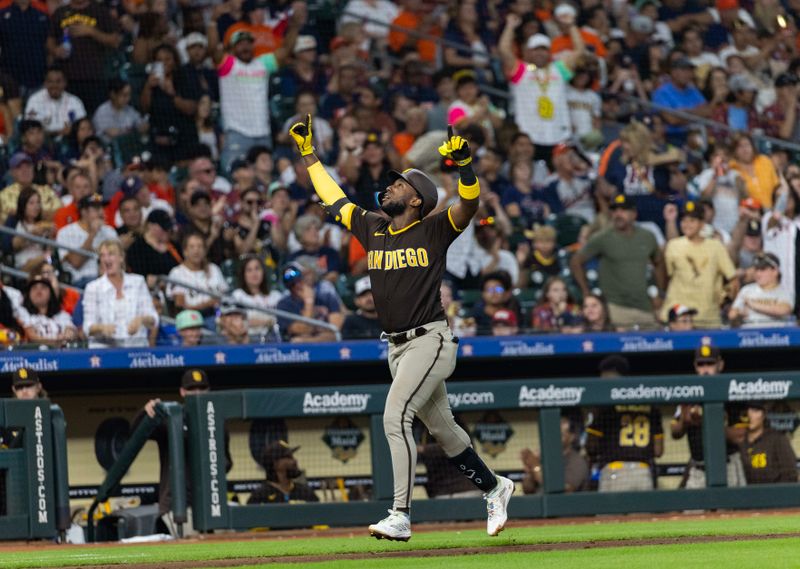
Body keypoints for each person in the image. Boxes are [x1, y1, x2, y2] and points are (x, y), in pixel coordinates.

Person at [289, 115, 514, 541]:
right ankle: (495, 486)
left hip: (429, 339)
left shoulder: (432, 228)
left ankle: (401, 513)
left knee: (396, 416)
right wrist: (308, 154)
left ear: (416, 200)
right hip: (396, 348)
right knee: (445, 432)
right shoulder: (373, 226)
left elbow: (469, 205)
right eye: (391, 181)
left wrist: (465, 168)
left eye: (400, 183)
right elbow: (334, 197)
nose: (390, 185)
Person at [139, 369, 232, 536]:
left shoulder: (217, 421)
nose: (197, 393)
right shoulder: (171, 418)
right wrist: (145, 412)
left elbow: (227, 462)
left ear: (208, 391)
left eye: (202, 388)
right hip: (178, 505)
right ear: (182, 392)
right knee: (189, 553)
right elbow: (136, 433)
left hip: (212, 504)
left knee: (224, 551)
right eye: (192, 389)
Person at [570, 194, 666, 330]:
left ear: (634, 214)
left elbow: (659, 262)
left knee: (654, 345)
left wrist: (659, 293)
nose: (618, 214)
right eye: (615, 210)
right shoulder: (603, 237)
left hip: (645, 306)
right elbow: (576, 261)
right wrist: (586, 291)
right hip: (615, 307)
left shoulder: (647, 236)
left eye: (623, 210)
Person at [499, 13, 584, 162]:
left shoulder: (558, 70)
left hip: (559, 135)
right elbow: (504, 50)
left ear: (549, 52)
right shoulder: (522, 70)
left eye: (544, 49)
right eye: (536, 49)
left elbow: (579, 51)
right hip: (528, 137)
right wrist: (510, 27)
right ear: (528, 52)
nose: (540, 53)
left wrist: (571, 26)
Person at [670, 345, 748, 489]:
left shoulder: (733, 392)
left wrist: (709, 423)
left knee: (728, 511)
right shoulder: (687, 392)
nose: (705, 369)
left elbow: (741, 436)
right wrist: (685, 421)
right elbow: (675, 432)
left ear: (720, 365)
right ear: (695, 366)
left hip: (728, 466)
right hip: (698, 468)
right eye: (701, 364)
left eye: (710, 364)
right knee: (692, 511)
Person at [586, 356, 664, 492]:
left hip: (614, 471)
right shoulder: (649, 404)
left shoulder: (603, 404)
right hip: (643, 473)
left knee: (612, 514)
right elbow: (658, 450)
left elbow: (591, 447)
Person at [662, 201, 738, 328]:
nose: (687, 224)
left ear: (702, 223)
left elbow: (733, 279)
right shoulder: (673, 246)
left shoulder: (715, 247)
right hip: (679, 317)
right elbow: (666, 278)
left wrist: (724, 299)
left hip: (708, 317)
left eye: (692, 220)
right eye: (684, 220)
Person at [83, 240, 158, 347]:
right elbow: (87, 327)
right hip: (105, 349)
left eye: (111, 254)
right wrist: (102, 328)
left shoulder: (138, 282)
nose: (106, 259)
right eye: (102, 256)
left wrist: (141, 320)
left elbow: (154, 318)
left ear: (121, 258)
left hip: (136, 348)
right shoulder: (93, 288)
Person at [166, 233, 228, 326]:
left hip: (218, 317)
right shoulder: (177, 273)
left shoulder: (213, 269)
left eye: (200, 247)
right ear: (185, 251)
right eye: (192, 247)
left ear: (204, 251)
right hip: (191, 320)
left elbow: (223, 296)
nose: (196, 251)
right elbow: (180, 307)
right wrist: (206, 305)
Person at [56, 194, 118, 288]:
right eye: (97, 209)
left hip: (108, 280)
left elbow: (118, 260)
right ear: (84, 212)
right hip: (80, 283)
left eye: (102, 208)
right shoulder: (66, 232)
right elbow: (76, 262)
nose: (102, 212)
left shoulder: (109, 231)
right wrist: (92, 234)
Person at [276, 262, 342, 343]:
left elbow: (336, 331)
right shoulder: (284, 305)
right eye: (292, 284)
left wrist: (308, 340)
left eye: (300, 281)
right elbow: (304, 330)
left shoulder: (326, 297)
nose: (297, 286)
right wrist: (309, 302)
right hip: (300, 353)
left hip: (329, 348)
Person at [520, 417, 589, 494]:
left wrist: (536, 467)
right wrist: (530, 471)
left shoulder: (577, 461)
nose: (554, 437)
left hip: (563, 505)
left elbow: (565, 490)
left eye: (560, 434)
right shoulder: (545, 458)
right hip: (538, 504)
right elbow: (527, 489)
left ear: (571, 437)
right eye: (552, 433)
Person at [729, 253, 794, 328]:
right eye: (756, 270)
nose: (758, 274)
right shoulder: (746, 290)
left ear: (775, 271)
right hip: (749, 335)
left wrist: (753, 305)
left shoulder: (784, 292)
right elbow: (732, 314)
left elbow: (784, 310)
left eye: (763, 270)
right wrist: (739, 314)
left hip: (776, 336)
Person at [741, 402, 798, 484]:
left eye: (755, 411)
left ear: (764, 415)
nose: (749, 415)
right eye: (745, 411)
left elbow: (790, 474)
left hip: (774, 494)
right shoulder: (739, 442)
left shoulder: (777, 439)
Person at [247, 440, 319, 505]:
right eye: (289, 457)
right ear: (276, 464)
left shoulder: (305, 492)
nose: (295, 461)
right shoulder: (260, 496)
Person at [230, 254, 281, 340]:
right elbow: (237, 322)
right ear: (243, 274)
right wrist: (269, 321)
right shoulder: (238, 295)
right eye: (249, 270)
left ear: (263, 272)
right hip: (249, 340)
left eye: (257, 269)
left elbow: (283, 321)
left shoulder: (276, 295)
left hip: (275, 338)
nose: (254, 273)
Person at [23, 67, 86, 136]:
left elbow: (83, 126)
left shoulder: (75, 101)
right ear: (45, 83)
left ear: (65, 83)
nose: (54, 85)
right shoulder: (35, 100)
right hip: (43, 141)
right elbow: (30, 128)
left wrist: (71, 130)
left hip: (69, 139)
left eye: (58, 82)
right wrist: (57, 132)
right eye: (50, 82)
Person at [6, 186, 53, 271]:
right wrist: (32, 233)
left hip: (43, 263)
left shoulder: (43, 224)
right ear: (23, 205)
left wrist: (51, 233)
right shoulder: (15, 222)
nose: (36, 206)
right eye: (31, 203)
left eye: (38, 202)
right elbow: (12, 246)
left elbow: (50, 250)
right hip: (23, 264)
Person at [21, 276, 77, 346]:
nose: (38, 291)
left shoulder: (62, 315)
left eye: (43, 287)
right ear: (28, 294)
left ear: (51, 293)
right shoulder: (23, 313)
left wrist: (69, 334)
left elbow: (71, 331)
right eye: (34, 288)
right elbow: (32, 337)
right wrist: (56, 342)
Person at [126, 209, 181, 281]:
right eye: (163, 228)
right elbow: (137, 276)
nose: (168, 231)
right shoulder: (137, 248)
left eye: (169, 227)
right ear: (150, 225)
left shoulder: (174, 245)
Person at [342, 276, 382, 340]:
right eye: (363, 295)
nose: (369, 298)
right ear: (356, 301)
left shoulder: (389, 320)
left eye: (372, 293)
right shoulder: (351, 321)